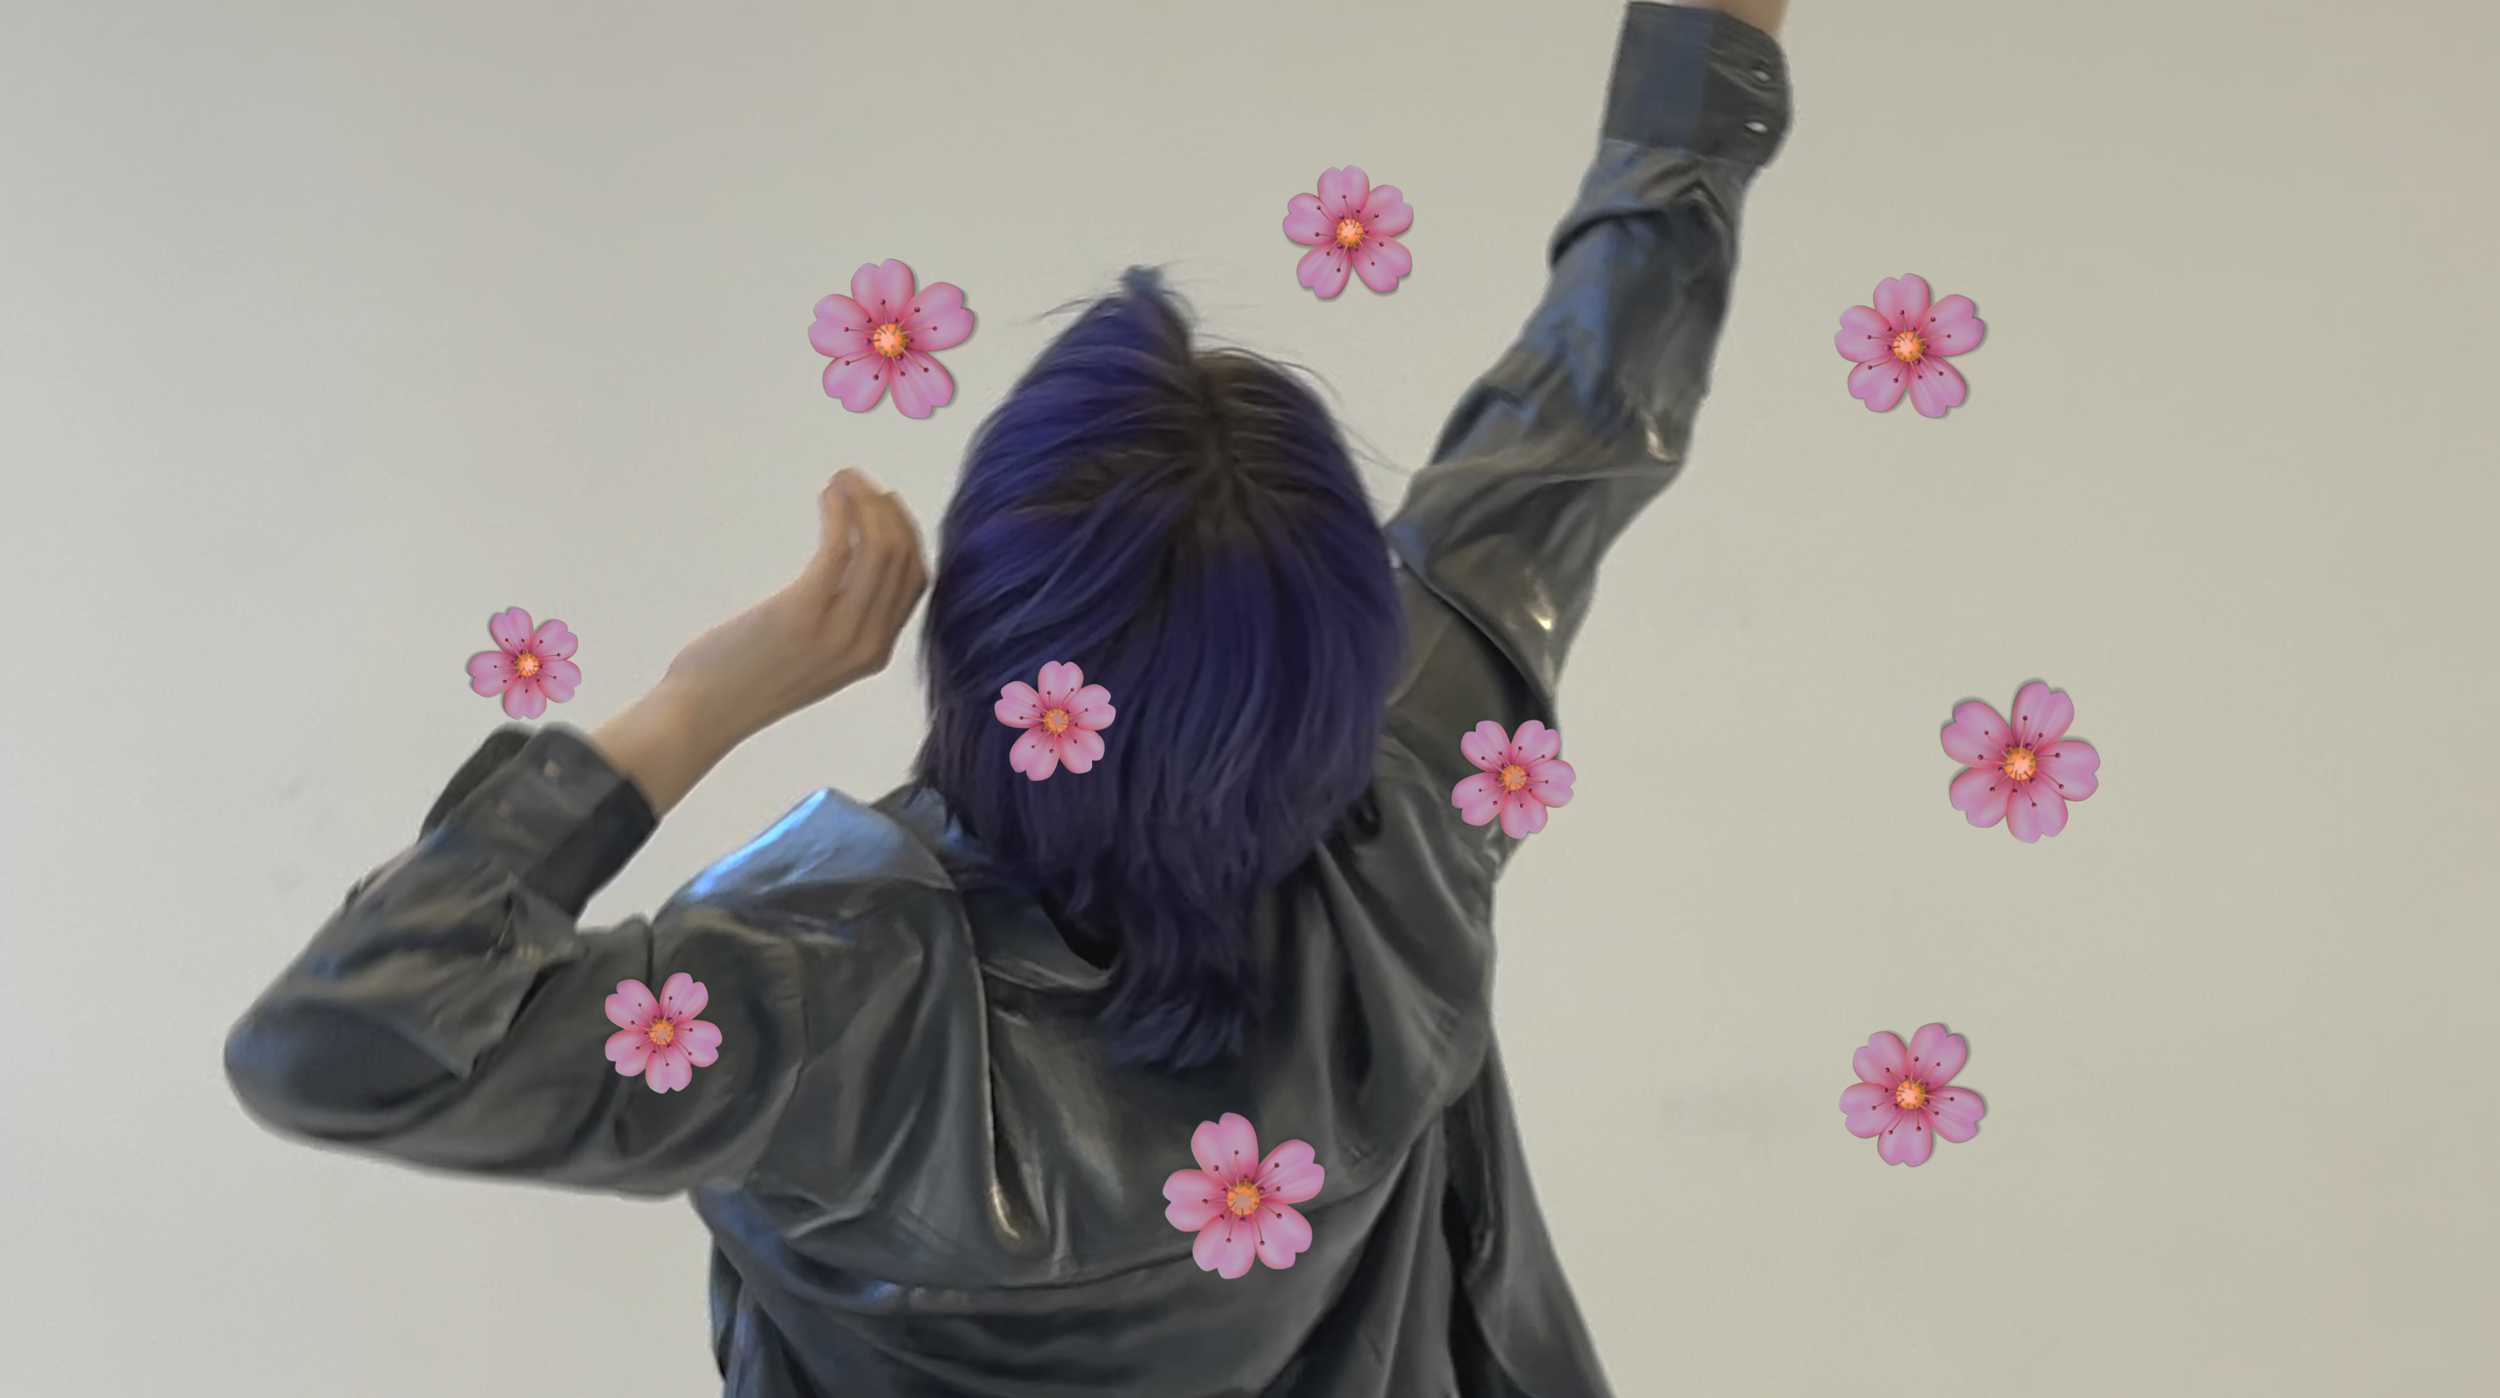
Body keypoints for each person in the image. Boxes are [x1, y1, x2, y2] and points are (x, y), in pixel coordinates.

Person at [223, 2, 1793, 1393]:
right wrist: (1704, 48)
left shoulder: (827, 1007)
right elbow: (1601, 382)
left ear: (978, 633)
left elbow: (336, 1046)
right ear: (1346, 652)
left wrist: (697, 704)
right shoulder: (1425, 786)